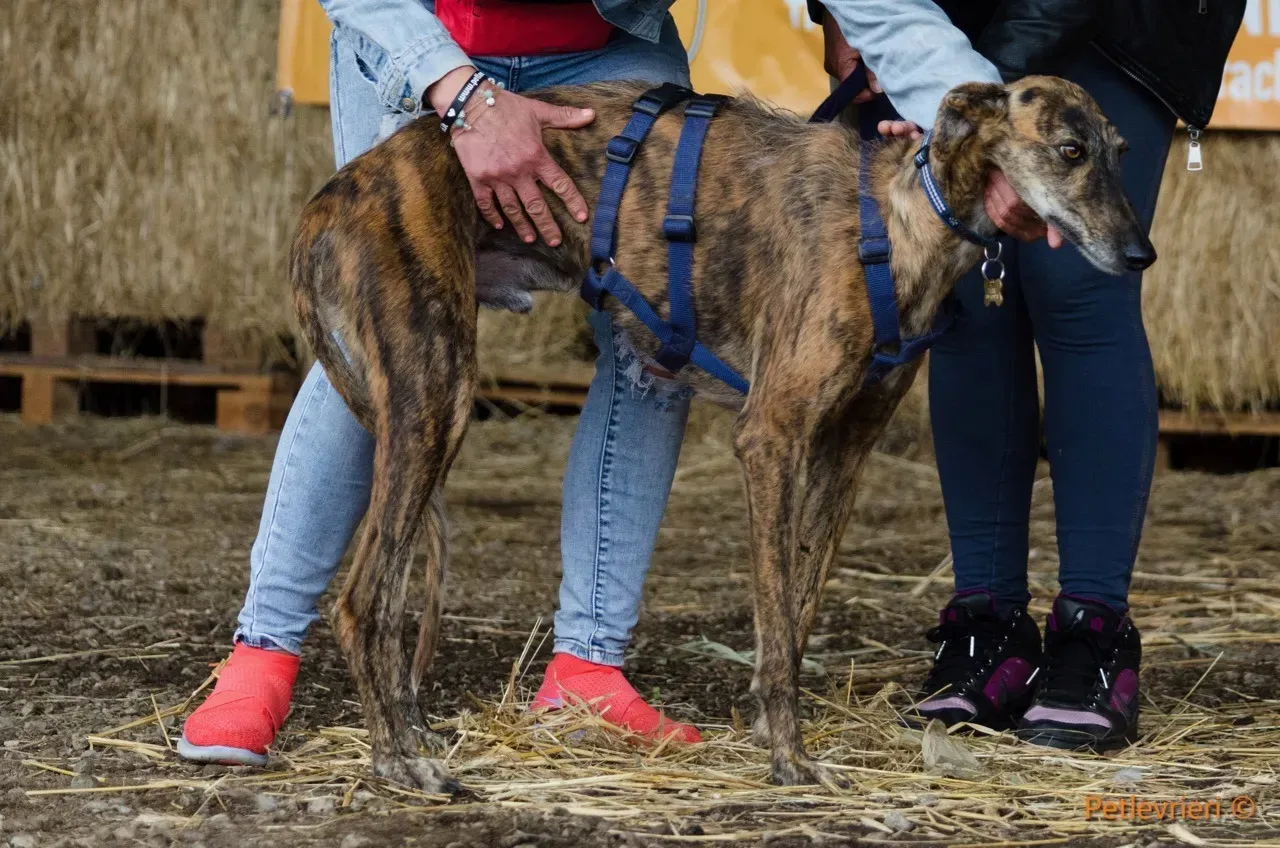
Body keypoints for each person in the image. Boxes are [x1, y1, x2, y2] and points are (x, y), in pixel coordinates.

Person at [178, 0, 1047, 766]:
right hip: (421, 40)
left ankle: (587, 665)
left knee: (663, 344)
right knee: (392, 349)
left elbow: (883, 8)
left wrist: (991, 139)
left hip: (609, 49)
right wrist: (460, 91)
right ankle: (264, 650)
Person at [824, 0, 1244, 751]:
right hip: (941, 23)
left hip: (1115, 24)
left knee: (1077, 284)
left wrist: (975, 109)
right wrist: (846, 21)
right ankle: (986, 626)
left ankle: (1094, 632)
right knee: (965, 293)